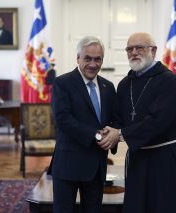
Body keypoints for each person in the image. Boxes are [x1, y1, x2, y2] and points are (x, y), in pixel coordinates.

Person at [104, 32, 176, 213]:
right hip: (139, 158)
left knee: (167, 204)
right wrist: (110, 132)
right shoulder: (125, 84)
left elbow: (158, 121)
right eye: (129, 49)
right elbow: (119, 118)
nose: (133, 52)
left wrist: (121, 135)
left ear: (153, 50)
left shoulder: (169, 81)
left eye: (139, 47)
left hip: (168, 158)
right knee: (139, 205)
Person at [51, 36, 119, 213]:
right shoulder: (62, 83)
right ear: (78, 58)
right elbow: (63, 119)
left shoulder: (108, 87)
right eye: (87, 58)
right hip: (68, 164)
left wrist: (113, 135)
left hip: (96, 166)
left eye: (98, 59)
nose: (92, 64)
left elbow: (114, 119)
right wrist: (96, 136)